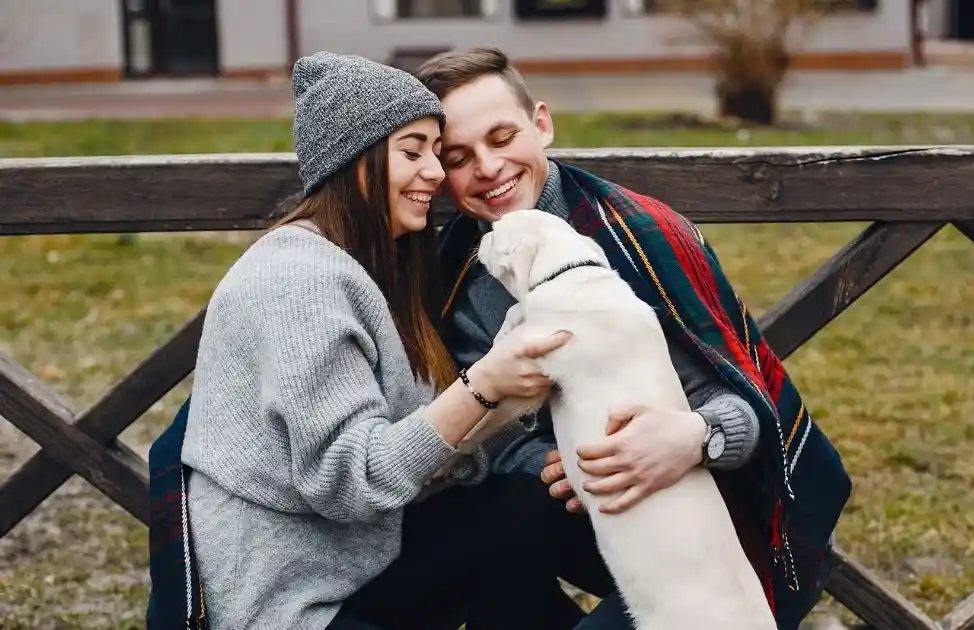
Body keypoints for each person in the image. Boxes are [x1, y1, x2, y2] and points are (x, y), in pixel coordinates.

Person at [416, 48, 854, 630]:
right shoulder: (459, 277)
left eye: (503, 137)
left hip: (726, 530)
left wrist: (693, 437)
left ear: (541, 124)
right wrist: (556, 461)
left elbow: (751, 405)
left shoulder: (639, 238)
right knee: (472, 529)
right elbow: (480, 421)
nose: (489, 167)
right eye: (459, 157)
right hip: (594, 514)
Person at [145, 51, 580, 630]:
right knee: (507, 530)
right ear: (356, 162)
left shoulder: (366, 268)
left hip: (361, 558)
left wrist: (521, 422)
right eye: (413, 151)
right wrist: (482, 387)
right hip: (295, 602)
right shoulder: (299, 281)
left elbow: (431, 461)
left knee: (517, 519)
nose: (435, 173)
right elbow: (352, 482)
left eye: (434, 151)